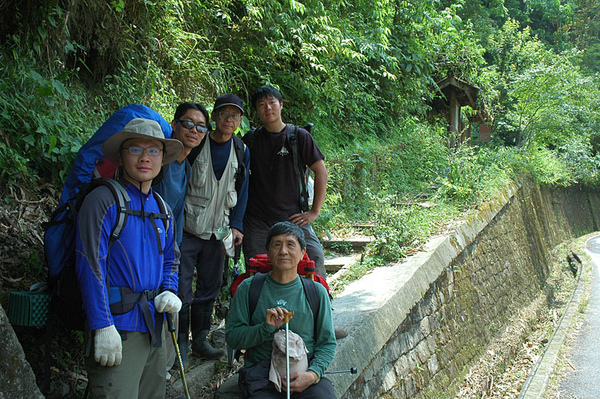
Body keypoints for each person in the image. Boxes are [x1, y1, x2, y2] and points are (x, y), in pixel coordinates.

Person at [75, 118, 183, 398]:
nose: (145, 158)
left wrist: (170, 290)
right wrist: (101, 326)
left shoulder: (163, 209)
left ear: (163, 159)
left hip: (155, 327)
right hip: (118, 327)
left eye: (154, 151)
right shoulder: (103, 200)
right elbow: (90, 264)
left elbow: (171, 259)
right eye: (135, 149)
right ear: (121, 157)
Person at [226, 221, 337, 398]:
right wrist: (265, 328)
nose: (283, 251)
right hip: (261, 375)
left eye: (290, 245)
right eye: (277, 245)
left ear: (303, 253)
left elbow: (327, 343)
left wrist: (313, 374)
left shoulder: (316, 292)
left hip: (305, 371)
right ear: (268, 252)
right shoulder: (248, 289)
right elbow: (233, 338)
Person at [179, 93, 250, 360]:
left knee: (209, 288)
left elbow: (242, 192)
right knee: (182, 289)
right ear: (214, 117)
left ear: (240, 120)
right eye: (223, 114)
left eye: (234, 115)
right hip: (188, 227)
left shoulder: (242, 151)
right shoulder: (196, 144)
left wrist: (237, 225)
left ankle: (200, 340)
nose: (228, 119)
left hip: (220, 231)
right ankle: (181, 345)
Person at [242, 85, 328, 280]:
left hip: (294, 218)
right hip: (257, 222)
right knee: (257, 272)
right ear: (256, 110)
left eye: (272, 102)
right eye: (262, 105)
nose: (268, 108)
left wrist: (314, 212)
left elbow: (321, 171)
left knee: (314, 261)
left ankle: (322, 306)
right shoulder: (251, 140)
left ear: (281, 105)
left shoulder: (298, 137)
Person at [153, 102, 209, 370]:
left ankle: (163, 364)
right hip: (145, 249)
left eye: (200, 127)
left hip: (167, 251)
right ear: (174, 124)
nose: (193, 130)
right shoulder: (158, 163)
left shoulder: (185, 166)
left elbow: (175, 213)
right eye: (187, 123)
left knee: (166, 302)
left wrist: (172, 251)